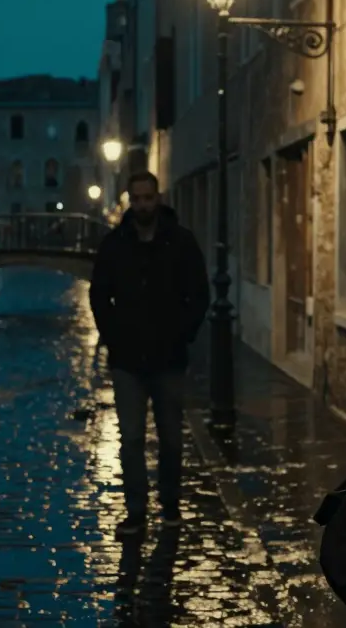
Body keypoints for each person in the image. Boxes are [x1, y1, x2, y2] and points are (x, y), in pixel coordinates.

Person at [89, 171, 210, 536]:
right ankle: (137, 511)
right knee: (132, 439)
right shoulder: (114, 245)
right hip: (127, 361)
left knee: (172, 438)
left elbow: (199, 295)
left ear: (158, 198)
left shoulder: (181, 243)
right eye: (137, 198)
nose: (143, 205)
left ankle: (170, 506)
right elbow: (99, 296)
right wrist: (113, 336)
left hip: (169, 359)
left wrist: (182, 334)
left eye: (148, 198)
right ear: (130, 200)